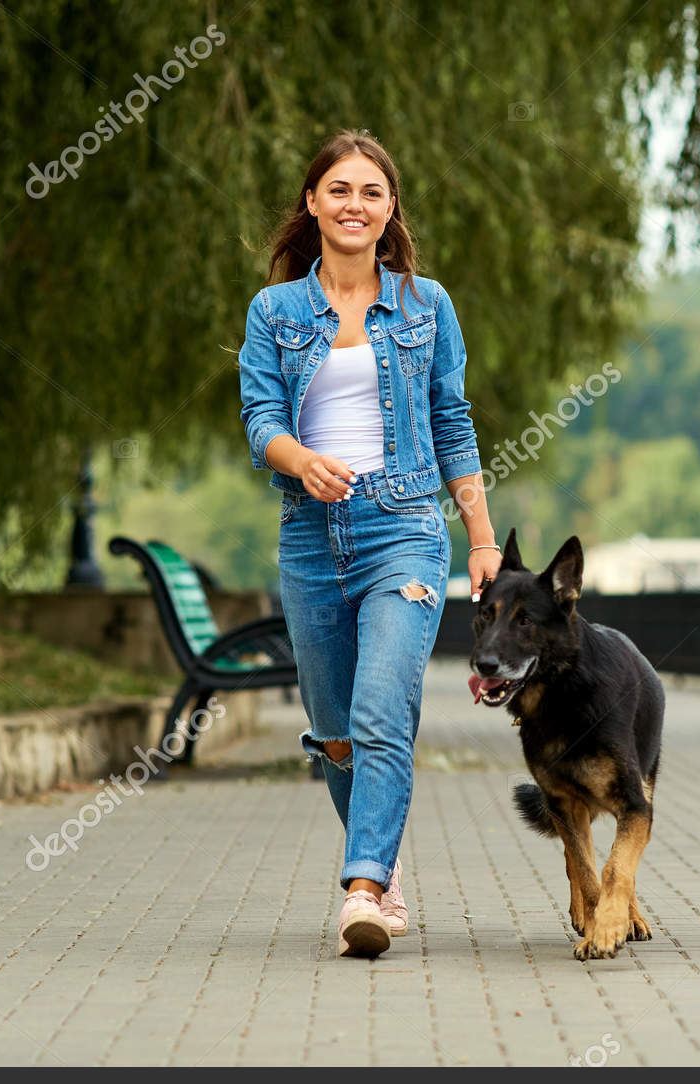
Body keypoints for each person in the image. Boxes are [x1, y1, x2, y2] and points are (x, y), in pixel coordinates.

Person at [238, 129, 502, 957]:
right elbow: (259, 421)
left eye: (373, 193)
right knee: (336, 732)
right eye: (340, 190)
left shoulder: (428, 305)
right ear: (312, 203)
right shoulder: (275, 311)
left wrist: (483, 540)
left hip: (406, 530)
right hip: (311, 539)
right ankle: (383, 868)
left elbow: (452, 422)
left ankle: (361, 885)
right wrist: (300, 458)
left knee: (382, 712)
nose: (356, 205)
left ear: (391, 212)